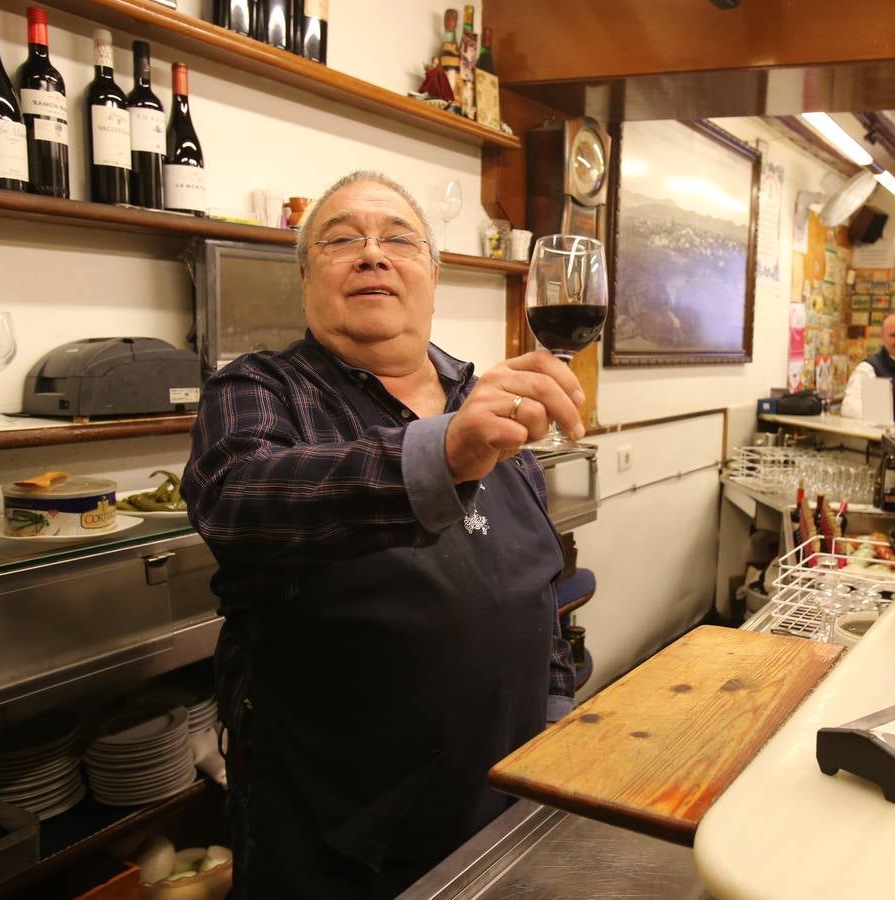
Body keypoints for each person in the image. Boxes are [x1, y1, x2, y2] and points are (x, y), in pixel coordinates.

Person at [182, 171, 580, 898]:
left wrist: (555, 712)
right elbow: (237, 497)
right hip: (338, 834)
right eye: (341, 240)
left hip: (506, 794)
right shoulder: (257, 390)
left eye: (398, 238)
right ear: (306, 279)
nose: (372, 254)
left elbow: (538, 584)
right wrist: (442, 454)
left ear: (435, 273)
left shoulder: (484, 395)